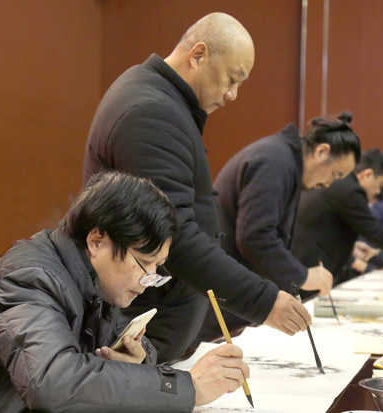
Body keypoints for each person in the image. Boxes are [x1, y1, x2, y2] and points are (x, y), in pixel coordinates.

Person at [82, 12, 310, 362]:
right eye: (231, 79)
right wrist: (262, 300)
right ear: (198, 54)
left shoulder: (161, 100)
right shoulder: (152, 111)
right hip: (140, 329)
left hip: (159, 330)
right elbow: (173, 236)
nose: (232, 95)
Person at [0, 171, 250, 412]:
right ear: (97, 242)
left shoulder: (94, 284)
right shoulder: (29, 279)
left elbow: (128, 344)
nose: (148, 280)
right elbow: (52, 383)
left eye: (157, 268)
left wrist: (136, 361)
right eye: (144, 263)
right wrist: (186, 387)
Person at [195, 112, 360, 340]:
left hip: (233, 291)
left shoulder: (283, 160)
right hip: (223, 292)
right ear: (321, 151)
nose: (328, 183)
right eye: (334, 174)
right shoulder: (275, 161)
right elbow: (255, 237)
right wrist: (303, 276)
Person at [291, 148, 383, 285]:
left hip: (309, 264)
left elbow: (328, 228)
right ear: (367, 175)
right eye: (380, 184)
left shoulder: (345, 186)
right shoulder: (352, 191)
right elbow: (376, 234)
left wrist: (353, 247)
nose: (378, 192)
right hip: (306, 265)